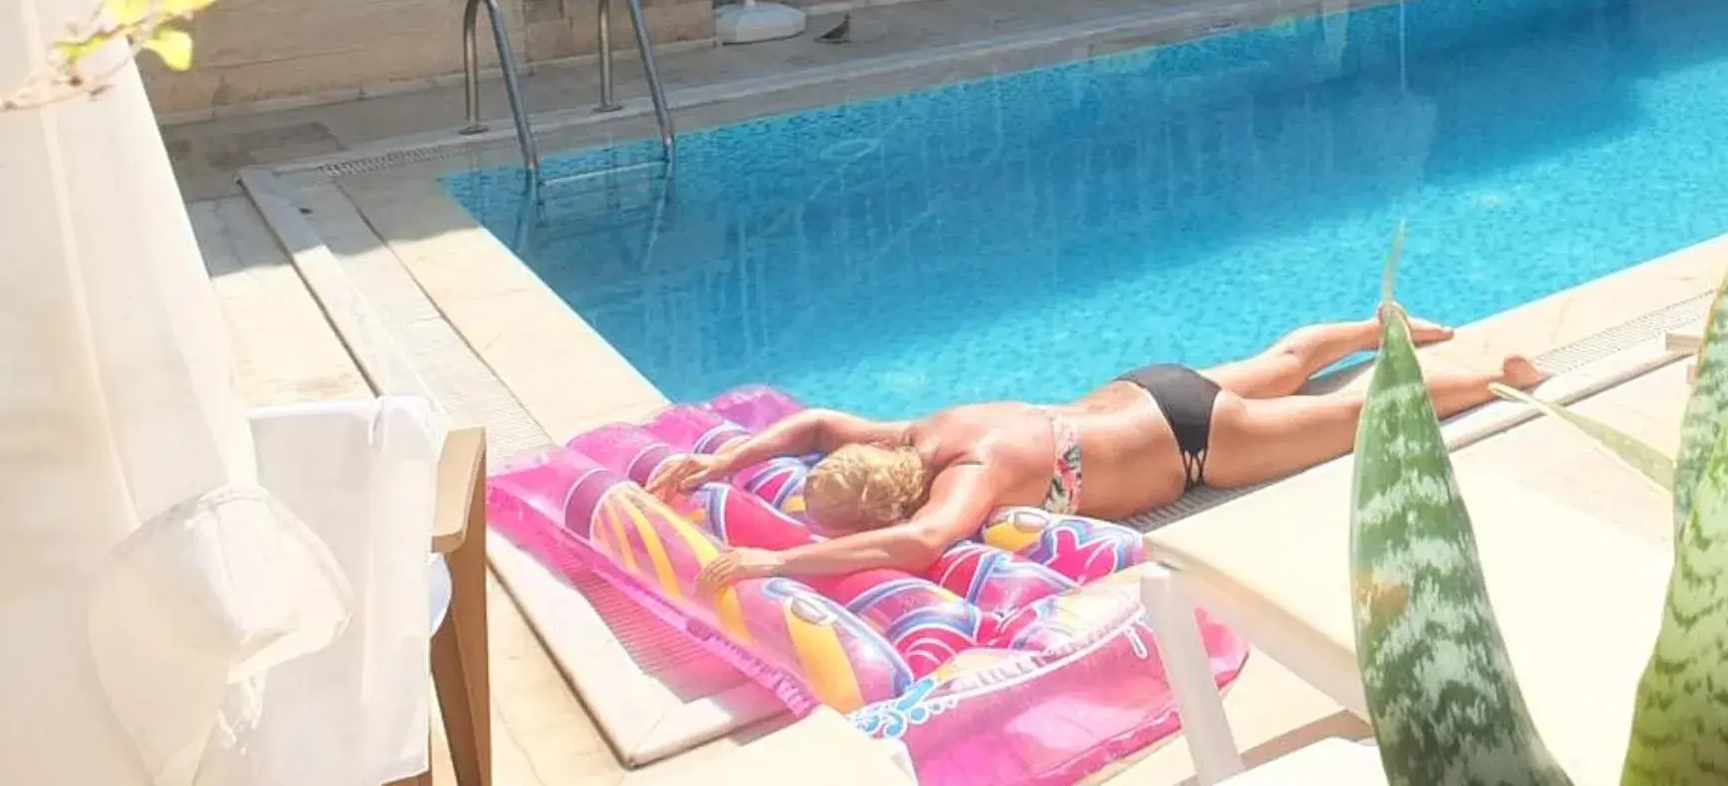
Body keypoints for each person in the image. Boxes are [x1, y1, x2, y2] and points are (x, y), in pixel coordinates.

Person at [650, 315, 1537, 592]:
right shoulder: (925, 431)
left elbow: (917, 544)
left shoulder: (968, 479)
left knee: (1354, 416)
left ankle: (1497, 371)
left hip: (1196, 443)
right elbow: (814, 425)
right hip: (1143, 390)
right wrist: (721, 463)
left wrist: (780, 561)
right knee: (1281, 364)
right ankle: (1384, 326)